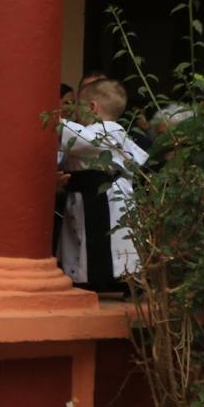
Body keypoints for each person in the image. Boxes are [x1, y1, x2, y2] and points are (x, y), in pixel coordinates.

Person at [58, 78, 148, 291]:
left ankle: (110, 281)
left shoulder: (110, 130)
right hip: (84, 193)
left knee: (106, 243)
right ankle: (84, 277)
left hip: (103, 196)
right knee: (80, 241)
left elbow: (85, 141)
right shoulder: (92, 132)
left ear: (92, 107)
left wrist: (55, 122)